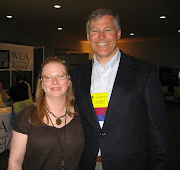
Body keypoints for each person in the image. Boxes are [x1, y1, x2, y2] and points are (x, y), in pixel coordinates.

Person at [71, 8, 170, 170]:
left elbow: (158, 129)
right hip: (87, 162)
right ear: (88, 36)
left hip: (130, 164)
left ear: (118, 33)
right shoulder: (77, 76)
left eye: (107, 30)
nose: (101, 36)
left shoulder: (144, 71)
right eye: (95, 31)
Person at [8, 57, 84, 170]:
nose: (55, 81)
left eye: (60, 76)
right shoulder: (27, 115)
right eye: (48, 77)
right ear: (42, 84)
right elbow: (15, 162)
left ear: (68, 81)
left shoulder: (80, 113)